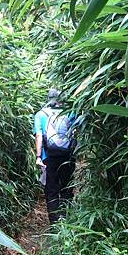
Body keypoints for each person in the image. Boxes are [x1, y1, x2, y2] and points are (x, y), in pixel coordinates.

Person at [34, 89, 76, 224]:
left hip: (48, 157)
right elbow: (76, 133)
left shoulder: (40, 114)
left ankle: (54, 223)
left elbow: (39, 135)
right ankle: (66, 219)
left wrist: (38, 156)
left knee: (51, 189)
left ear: (48, 98)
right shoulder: (71, 112)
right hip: (67, 156)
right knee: (66, 187)